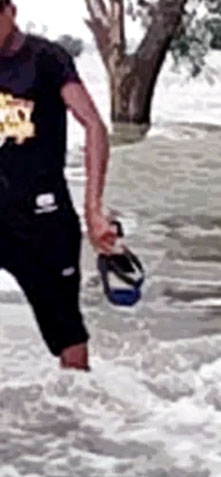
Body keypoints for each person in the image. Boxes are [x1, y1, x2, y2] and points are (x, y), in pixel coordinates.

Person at [0, 0, 116, 370]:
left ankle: (79, 419)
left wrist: (93, 209)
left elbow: (94, 126)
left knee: (66, 330)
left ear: (10, 10)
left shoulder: (46, 58)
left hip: (42, 217)